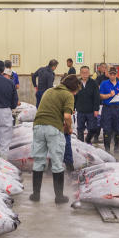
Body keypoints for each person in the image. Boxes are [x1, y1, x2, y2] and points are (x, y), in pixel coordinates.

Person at [30, 74, 80, 204]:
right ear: (73, 87)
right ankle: (59, 197)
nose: (76, 93)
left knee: (39, 160)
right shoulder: (68, 95)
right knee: (57, 162)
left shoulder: (49, 91)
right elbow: (67, 116)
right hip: (53, 129)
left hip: (38, 126)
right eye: (77, 90)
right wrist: (69, 128)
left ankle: (36, 195)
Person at [99, 66, 119, 153]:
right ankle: (107, 149)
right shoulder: (104, 83)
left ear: (116, 74)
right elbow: (101, 96)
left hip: (117, 109)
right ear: (108, 74)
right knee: (107, 129)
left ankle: (117, 147)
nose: (112, 76)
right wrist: (109, 95)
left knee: (118, 128)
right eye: (110, 74)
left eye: (114, 74)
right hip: (107, 108)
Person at [74, 66, 101, 145]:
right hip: (80, 110)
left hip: (91, 111)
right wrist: (72, 107)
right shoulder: (77, 83)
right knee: (80, 129)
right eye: (83, 72)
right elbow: (74, 96)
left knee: (93, 128)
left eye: (86, 72)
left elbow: (97, 97)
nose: (85, 74)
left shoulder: (93, 83)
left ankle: (88, 139)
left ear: (89, 73)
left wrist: (96, 109)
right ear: (80, 73)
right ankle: (81, 145)